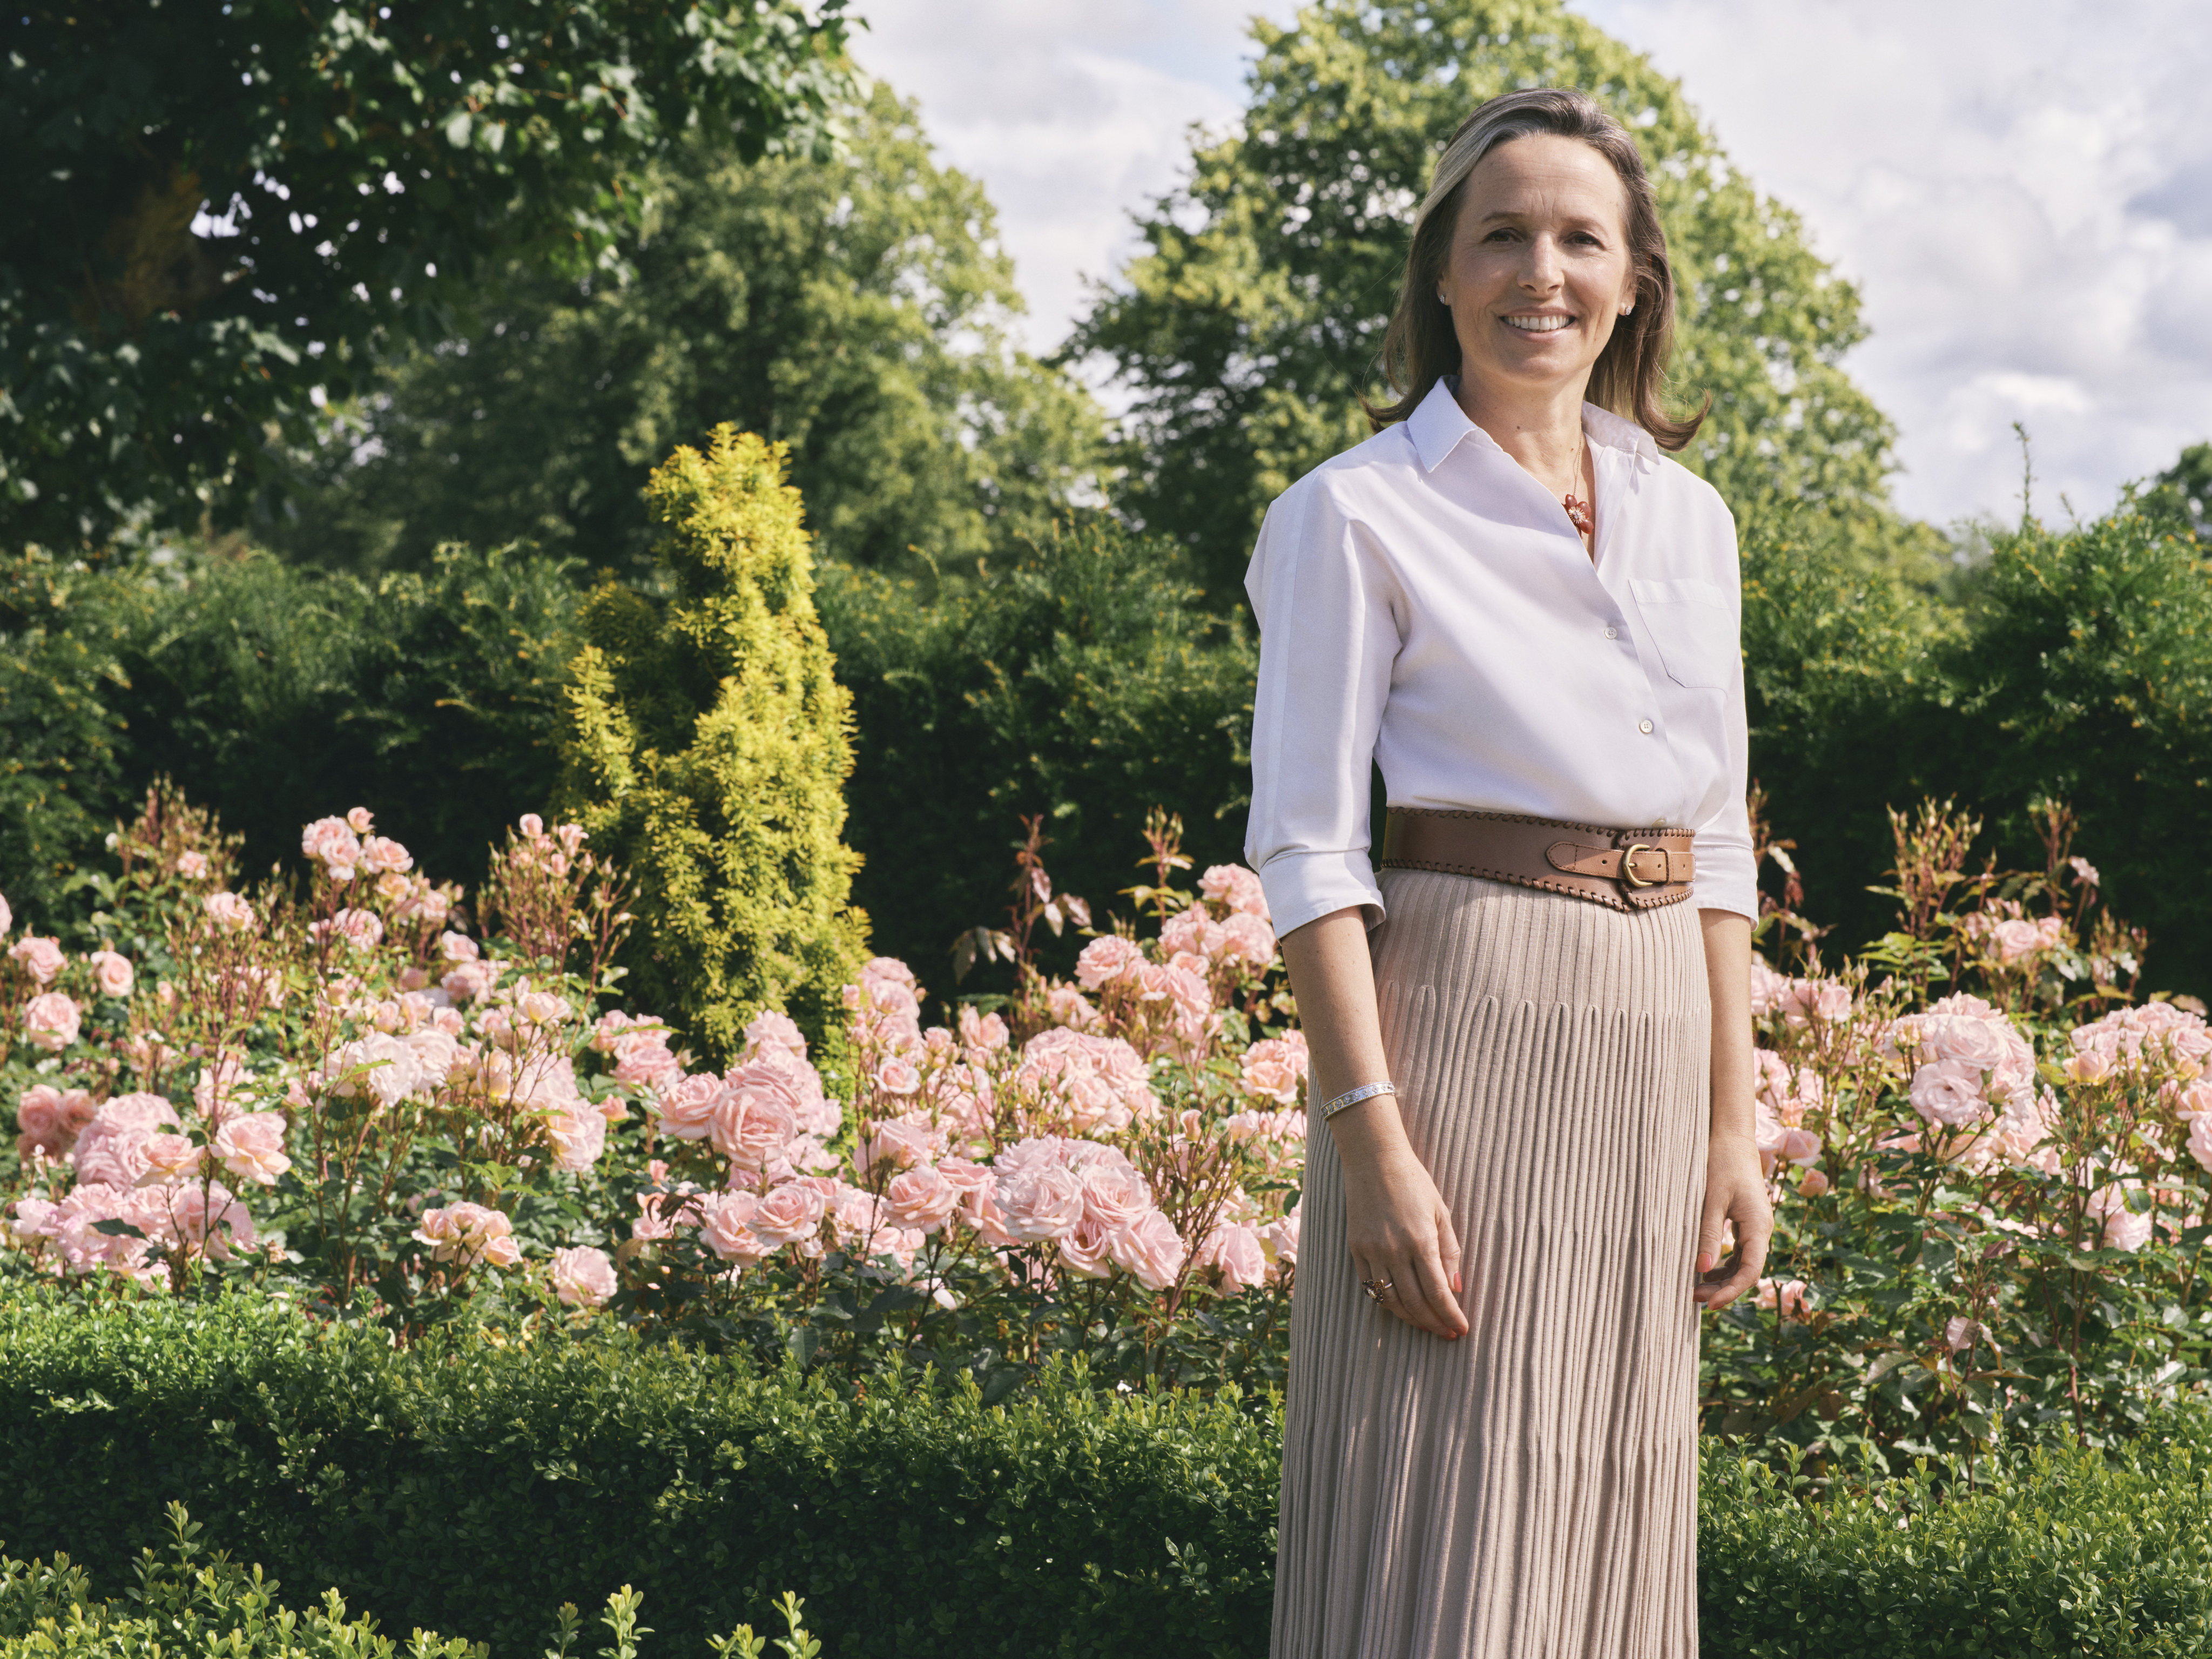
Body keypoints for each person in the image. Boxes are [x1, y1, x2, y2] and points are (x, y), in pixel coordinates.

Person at [1247, 87, 1774, 1658]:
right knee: (1444, 1491)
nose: (1540, 272)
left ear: (1634, 283)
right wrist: (1370, 1142)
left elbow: (1723, 834)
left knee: (1608, 1497)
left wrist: (1735, 1124)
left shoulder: (1695, 525)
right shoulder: (1351, 513)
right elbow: (1308, 847)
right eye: (1502, 236)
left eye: (1579, 239)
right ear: (1441, 275)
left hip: (1652, 1037)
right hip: (1462, 1024)